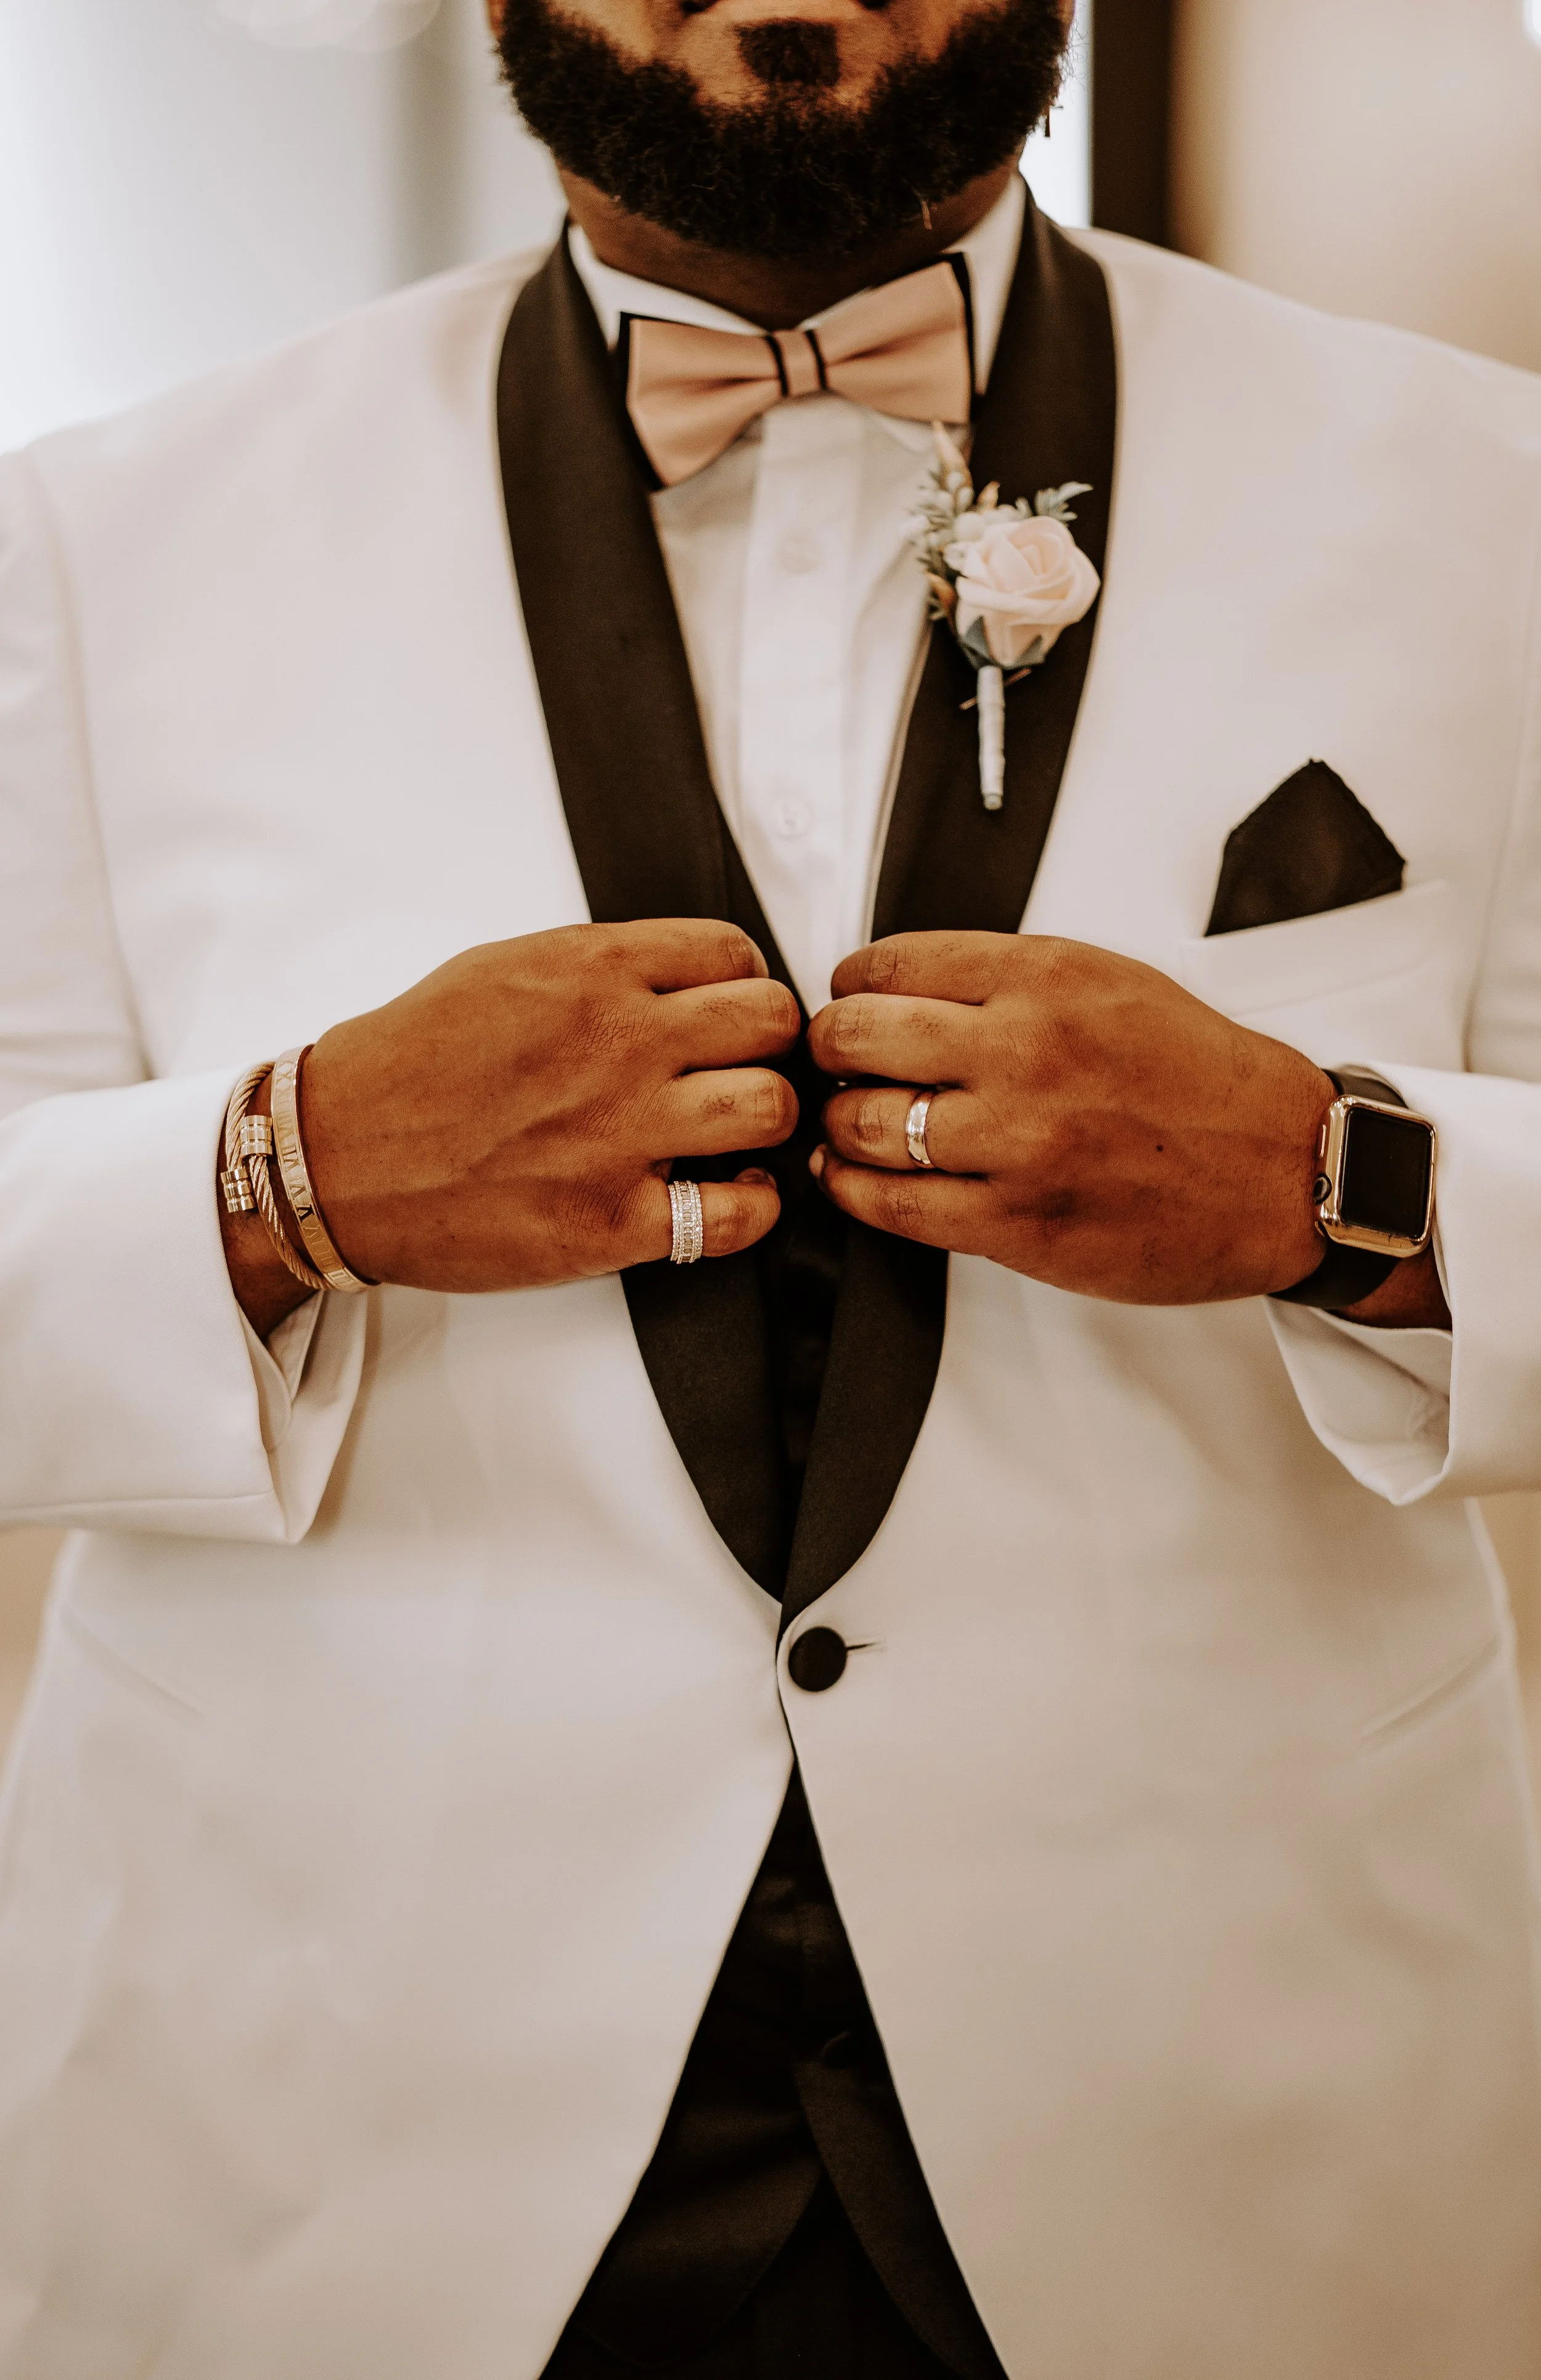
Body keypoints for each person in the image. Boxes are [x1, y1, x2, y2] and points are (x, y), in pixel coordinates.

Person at [1, 0, 1539, 2368]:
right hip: (337, 2100)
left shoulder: (1487, 494)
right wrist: (285, 1167)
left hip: (1230, 2102)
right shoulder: (100, 535)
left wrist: (1336, 1178)